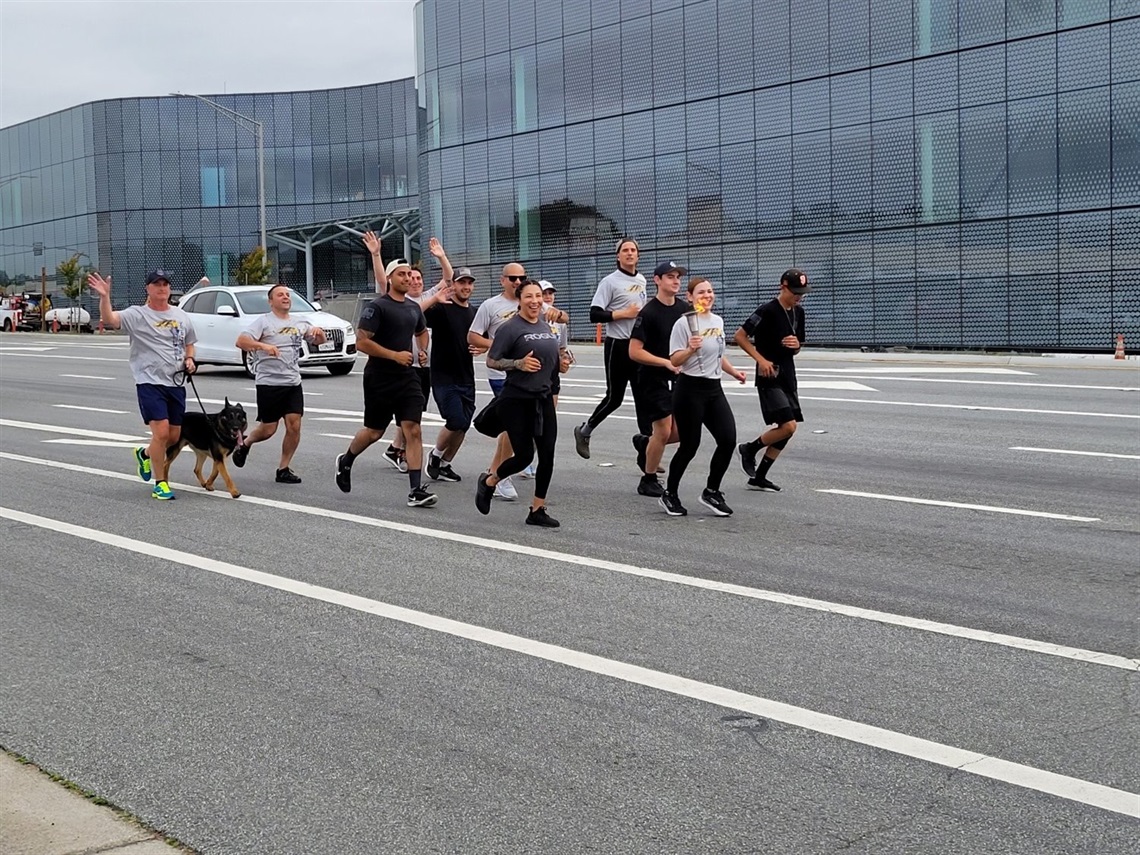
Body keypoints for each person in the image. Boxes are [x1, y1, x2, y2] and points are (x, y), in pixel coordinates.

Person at [86, 269, 198, 501]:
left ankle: (145, 454)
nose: (162, 288)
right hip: (149, 381)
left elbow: (190, 343)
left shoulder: (181, 315)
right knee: (162, 432)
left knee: (174, 437)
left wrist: (190, 359)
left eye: (165, 284)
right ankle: (161, 483)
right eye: (156, 284)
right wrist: (104, 297)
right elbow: (111, 320)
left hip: (175, 382)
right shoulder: (137, 314)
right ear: (147, 289)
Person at [334, 259, 437, 508]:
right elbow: (361, 342)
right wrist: (394, 355)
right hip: (379, 377)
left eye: (410, 275)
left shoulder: (413, 308)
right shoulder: (378, 307)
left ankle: (415, 490)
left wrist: (422, 350)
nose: (408, 278)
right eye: (402, 274)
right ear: (390, 278)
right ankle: (346, 460)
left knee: (413, 429)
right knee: (374, 432)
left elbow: (421, 331)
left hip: (407, 376)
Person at [474, 281, 568, 527]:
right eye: (529, 296)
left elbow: (550, 359)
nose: (535, 301)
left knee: (547, 455)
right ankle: (489, 482)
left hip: (543, 397)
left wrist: (561, 365)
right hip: (516, 399)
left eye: (538, 296)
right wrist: (518, 364)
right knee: (525, 456)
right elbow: (492, 361)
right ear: (519, 300)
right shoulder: (510, 328)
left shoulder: (545, 326)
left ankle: (537, 510)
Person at [660, 277, 748, 517]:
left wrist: (734, 372)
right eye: (701, 293)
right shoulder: (684, 324)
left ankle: (711, 491)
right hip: (689, 390)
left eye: (710, 292)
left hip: (714, 388)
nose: (707, 296)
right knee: (690, 446)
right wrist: (690, 349)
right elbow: (674, 360)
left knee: (728, 439)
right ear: (690, 297)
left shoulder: (717, 321)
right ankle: (670, 493)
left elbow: (718, 355)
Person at [231, 284, 326, 483]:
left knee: (294, 426)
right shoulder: (263, 322)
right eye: (280, 295)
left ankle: (283, 468)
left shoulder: (299, 322)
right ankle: (246, 443)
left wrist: (319, 334)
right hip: (269, 384)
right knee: (268, 429)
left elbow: (318, 341)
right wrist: (263, 345)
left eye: (287, 295)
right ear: (271, 301)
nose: (285, 297)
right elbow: (241, 341)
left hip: (293, 383)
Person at [734, 268, 811, 492]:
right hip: (769, 375)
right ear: (783, 286)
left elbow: (798, 346)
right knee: (787, 425)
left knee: (788, 429)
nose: (799, 296)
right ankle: (749, 449)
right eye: (795, 291)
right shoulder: (767, 310)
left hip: (789, 374)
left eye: (802, 292)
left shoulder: (799, 312)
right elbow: (740, 336)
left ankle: (759, 477)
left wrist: (797, 346)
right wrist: (761, 360)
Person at [573, 238, 647, 459]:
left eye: (633, 250)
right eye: (625, 250)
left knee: (642, 397)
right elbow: (594, 314)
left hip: (638, 346)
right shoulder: (610, 282)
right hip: (617, 345)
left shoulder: (642, 279)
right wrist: (623, 314)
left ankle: (648, 449)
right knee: (615, 397)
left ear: (638, 255)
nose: (630, 253)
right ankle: (585, 431)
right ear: (618, 256)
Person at [386, 238, 455, 471]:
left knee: (416, 411)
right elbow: (416, 311)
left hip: (424, 364)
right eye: (410, 278)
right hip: (404, 365)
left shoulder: (427, 295)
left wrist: (441, 256)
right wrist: (434, 299)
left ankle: (396, 448)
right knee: (410, 413)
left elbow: (448, 279)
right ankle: (399, 449)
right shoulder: (402, 302)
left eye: (418, 279)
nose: (414, 281)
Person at [628, 260, 688, 498]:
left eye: (678, 277)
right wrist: (664, 362)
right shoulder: (649, 312)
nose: (675, 281)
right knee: (663, 430)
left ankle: (646, 444)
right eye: (670, 277)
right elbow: (634, 351)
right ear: (657, 280)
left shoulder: (684, 309)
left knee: (683, 431)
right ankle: (648, 479)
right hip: (654, 378)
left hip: (680, 377)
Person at [467, 262, 525, 501]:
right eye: (512, 278)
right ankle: (501, 475)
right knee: (514, 424)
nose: (517, 282)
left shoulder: (530, 302)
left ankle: (498, 470)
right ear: (502, 280)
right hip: (501, 374)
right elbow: (473, 336)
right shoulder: (491, 306)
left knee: (513, 426)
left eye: (522, 277)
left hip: (527, 374)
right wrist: (498, 346)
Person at [424, 267, 479, 483]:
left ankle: (446, 464)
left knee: (464, 424)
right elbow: (415, 316)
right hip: (443, 377)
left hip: (467, 377)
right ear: (453, 285)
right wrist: (434, 298)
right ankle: (435, 456)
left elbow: (480, 338)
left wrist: (481, 348)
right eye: (461, 282)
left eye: (469, 283)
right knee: (455, 420)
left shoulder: (474, 313)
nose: (466, 287)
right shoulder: (441, 309)